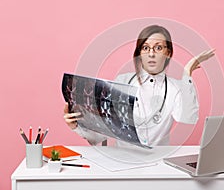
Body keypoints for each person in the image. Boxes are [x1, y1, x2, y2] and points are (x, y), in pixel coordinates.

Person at [63, 25, 215, 146]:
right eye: (145, 48)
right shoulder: (122, 81)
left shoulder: (175, 88)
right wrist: (77, 126)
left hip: (158, 163)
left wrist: (187, 73)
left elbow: (188, 118)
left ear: (168, 53)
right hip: (124, 162)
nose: (151, 54)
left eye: (158, 48)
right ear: (139, 53)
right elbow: (104, 132)